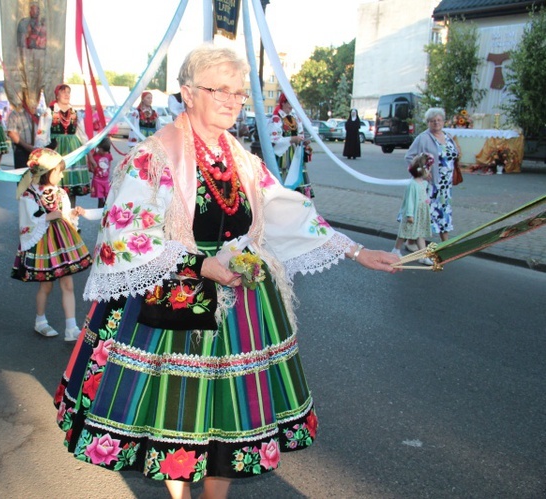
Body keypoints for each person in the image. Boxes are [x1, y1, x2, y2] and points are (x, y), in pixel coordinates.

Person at [52, 45, 399, 499]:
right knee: (175, 411)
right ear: (187, 93)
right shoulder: (154, 155)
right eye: (220, 90)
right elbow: (127, 233)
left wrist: (356, 251)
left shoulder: (239, 156)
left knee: (229, 418)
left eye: (238, 92)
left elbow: (283, 209)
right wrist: (200, 264)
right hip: (176, 293)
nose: (232, 100)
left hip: (240, 303)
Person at [11, 148, 96, 341]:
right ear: (45, 172)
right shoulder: (29, 195)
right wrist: (48, 216)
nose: (62, 175)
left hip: (62, 244)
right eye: (59, 171)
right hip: (43, 245)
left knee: (68, 284)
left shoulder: (60, 193)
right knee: (46, 286)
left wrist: (73, 214)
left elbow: (65, 214)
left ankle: (71, 328)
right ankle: (40, 321)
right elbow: (27, 220)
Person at [404, 108, 460, 242]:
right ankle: (418, 241)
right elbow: (409, 156)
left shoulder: (448, 136)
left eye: (439, 120)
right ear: (428, 123)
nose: (436, 123)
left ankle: (416, 241)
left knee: (444, 211)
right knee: (427, 213)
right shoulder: (423, 138)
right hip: (431, 184)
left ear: (443, 121)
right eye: (432, 121)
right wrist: (422, 171)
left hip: (446, 185)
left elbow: (454, 155)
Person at [47, 84, 90, 206]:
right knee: (56, 185)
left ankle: (71, 217)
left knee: (72, 188)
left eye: (68, 92)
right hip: (57, 149)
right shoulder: (49, 112)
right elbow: (42, 134)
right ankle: (56, 216)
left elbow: (82, 134)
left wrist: (88, 153)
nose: (66, 95)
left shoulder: (75, 113)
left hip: (73, 149)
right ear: (57, 94)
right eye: (63, 92)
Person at [391, 153, 434, 265]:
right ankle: (396, 250)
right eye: (428, 170)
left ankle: (423, 256)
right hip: (413, 213)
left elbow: (424, 196)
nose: (430, 173)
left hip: (420, 213)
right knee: (404, 233)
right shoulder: (412, 185)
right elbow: (409, 201)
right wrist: (410, 214)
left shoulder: (423, 183)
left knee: (420, 234)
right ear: (422, 170)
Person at [267, 93, 313, 197]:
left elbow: (300, 133)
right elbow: (273, 140)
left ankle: (298, 201)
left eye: (292, 103)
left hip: (295, 155)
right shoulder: (276, 118)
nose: (291, 106)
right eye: (289, 103)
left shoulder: (294, 117)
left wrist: (303, 141)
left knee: (297, 176)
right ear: (283, 103)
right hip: (283, 156)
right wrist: (292, 139)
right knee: (284, 178)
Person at [87, 136, 112, 208]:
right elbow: (90, 168)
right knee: (100, 198)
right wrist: (93, 168)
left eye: (106, 151)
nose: (105, 153)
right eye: (103, 150)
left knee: (108, 197)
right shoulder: (94, 156)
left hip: (106, 180)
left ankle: (107, 210)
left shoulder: (108, 155)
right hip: (97, 181)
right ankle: (100, 211)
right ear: (99, 147)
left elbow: (109, 166)